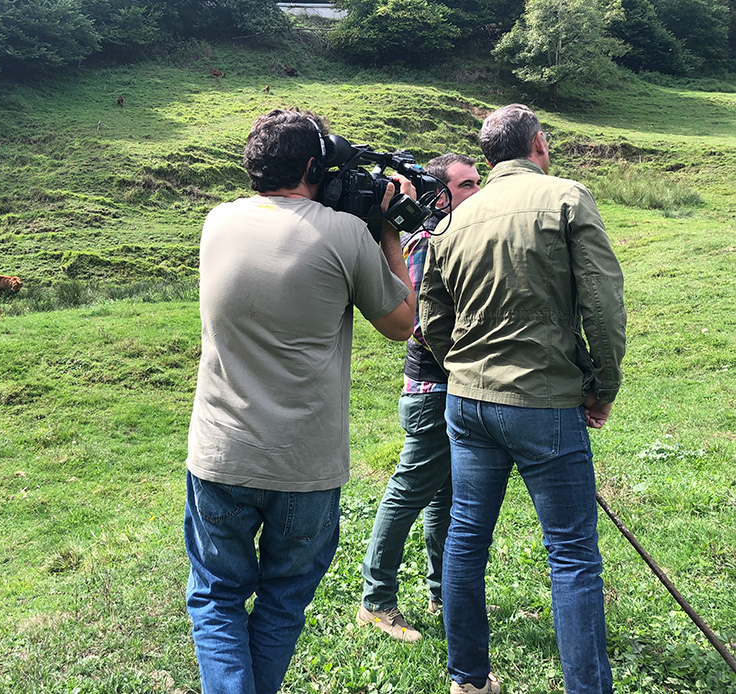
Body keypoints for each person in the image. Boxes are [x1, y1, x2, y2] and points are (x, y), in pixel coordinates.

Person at [185, 108, 418, 694]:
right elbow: (403, 323)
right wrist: (385, 228)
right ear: (315, 167)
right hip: (305, 464)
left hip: (221, 452)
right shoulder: (344, 235)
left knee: (216, 597)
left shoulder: (218, 222)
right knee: (284, 600)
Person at [420, 104, 626, 694]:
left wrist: (460, 365)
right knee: (572, 556)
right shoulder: (566, 197)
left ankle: (469, 681)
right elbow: (603, 306)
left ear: (487, 156)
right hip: (544, 405)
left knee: (466, 539)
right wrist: (601, 385)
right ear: (537, 142)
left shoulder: (454, 220)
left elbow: (432, 316)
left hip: (467, 403)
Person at [356, 153, 481, 643]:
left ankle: (441, 591)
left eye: (479, 182)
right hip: (434, 390)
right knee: (409, 492)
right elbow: (423, 325)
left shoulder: (455, 237)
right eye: (467, 185)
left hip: (447, 387)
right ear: (439, 195)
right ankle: (376, 600)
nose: (478, 191)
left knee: (442, 499)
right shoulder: (429, 242)